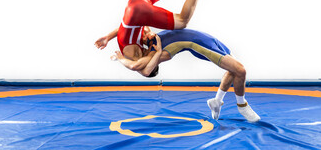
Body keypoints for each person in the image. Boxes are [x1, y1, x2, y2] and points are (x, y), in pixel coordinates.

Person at [108, 28, 261, 123]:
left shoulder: (147, 39)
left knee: (233, 69)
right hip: (200, 43)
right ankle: (242, 105)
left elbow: (126, 26)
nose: (136, 54)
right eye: (136, 55)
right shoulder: (158, 54)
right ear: (153, 63)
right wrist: (121, 59)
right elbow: (138, 67)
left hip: (207, 38)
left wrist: (107, 38)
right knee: (240, 70)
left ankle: (217, 101)